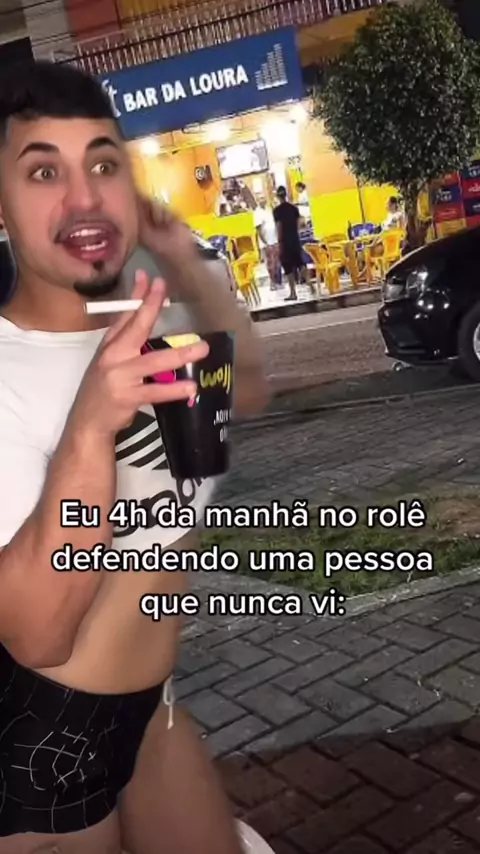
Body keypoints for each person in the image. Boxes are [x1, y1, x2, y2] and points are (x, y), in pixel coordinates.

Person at [0, 60, 268, 853]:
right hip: (41, 742)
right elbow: (37, 635)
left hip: (152, 711)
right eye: (43, 171)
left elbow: (247, 387)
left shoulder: (147, 329)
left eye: (104, 164)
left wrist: (183, 256)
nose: (84, 197)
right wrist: (88, 432)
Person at [273, 186, 313, 301]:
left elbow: (279, 227)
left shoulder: (277, 211)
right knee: (300, 263)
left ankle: (293, 293)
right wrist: (294, 232)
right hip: (295, 240)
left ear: (277, 196)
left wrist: (279, 243)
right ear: (285, 194)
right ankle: (310, 284)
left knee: (288, 268)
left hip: (285, 242)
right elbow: (300, 222)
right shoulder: (293, 208)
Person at [254, 195, 281, 290]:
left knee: (277, 262)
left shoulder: (269, 210)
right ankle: (272, 283)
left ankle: (277, 282)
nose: (263, 200)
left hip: (274, 240)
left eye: (264, 198)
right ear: (257, 200)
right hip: (266, 243)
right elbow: (258, 230)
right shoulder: (257, 213)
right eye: (260, 198)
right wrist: (265, 243)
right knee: (270, 263)